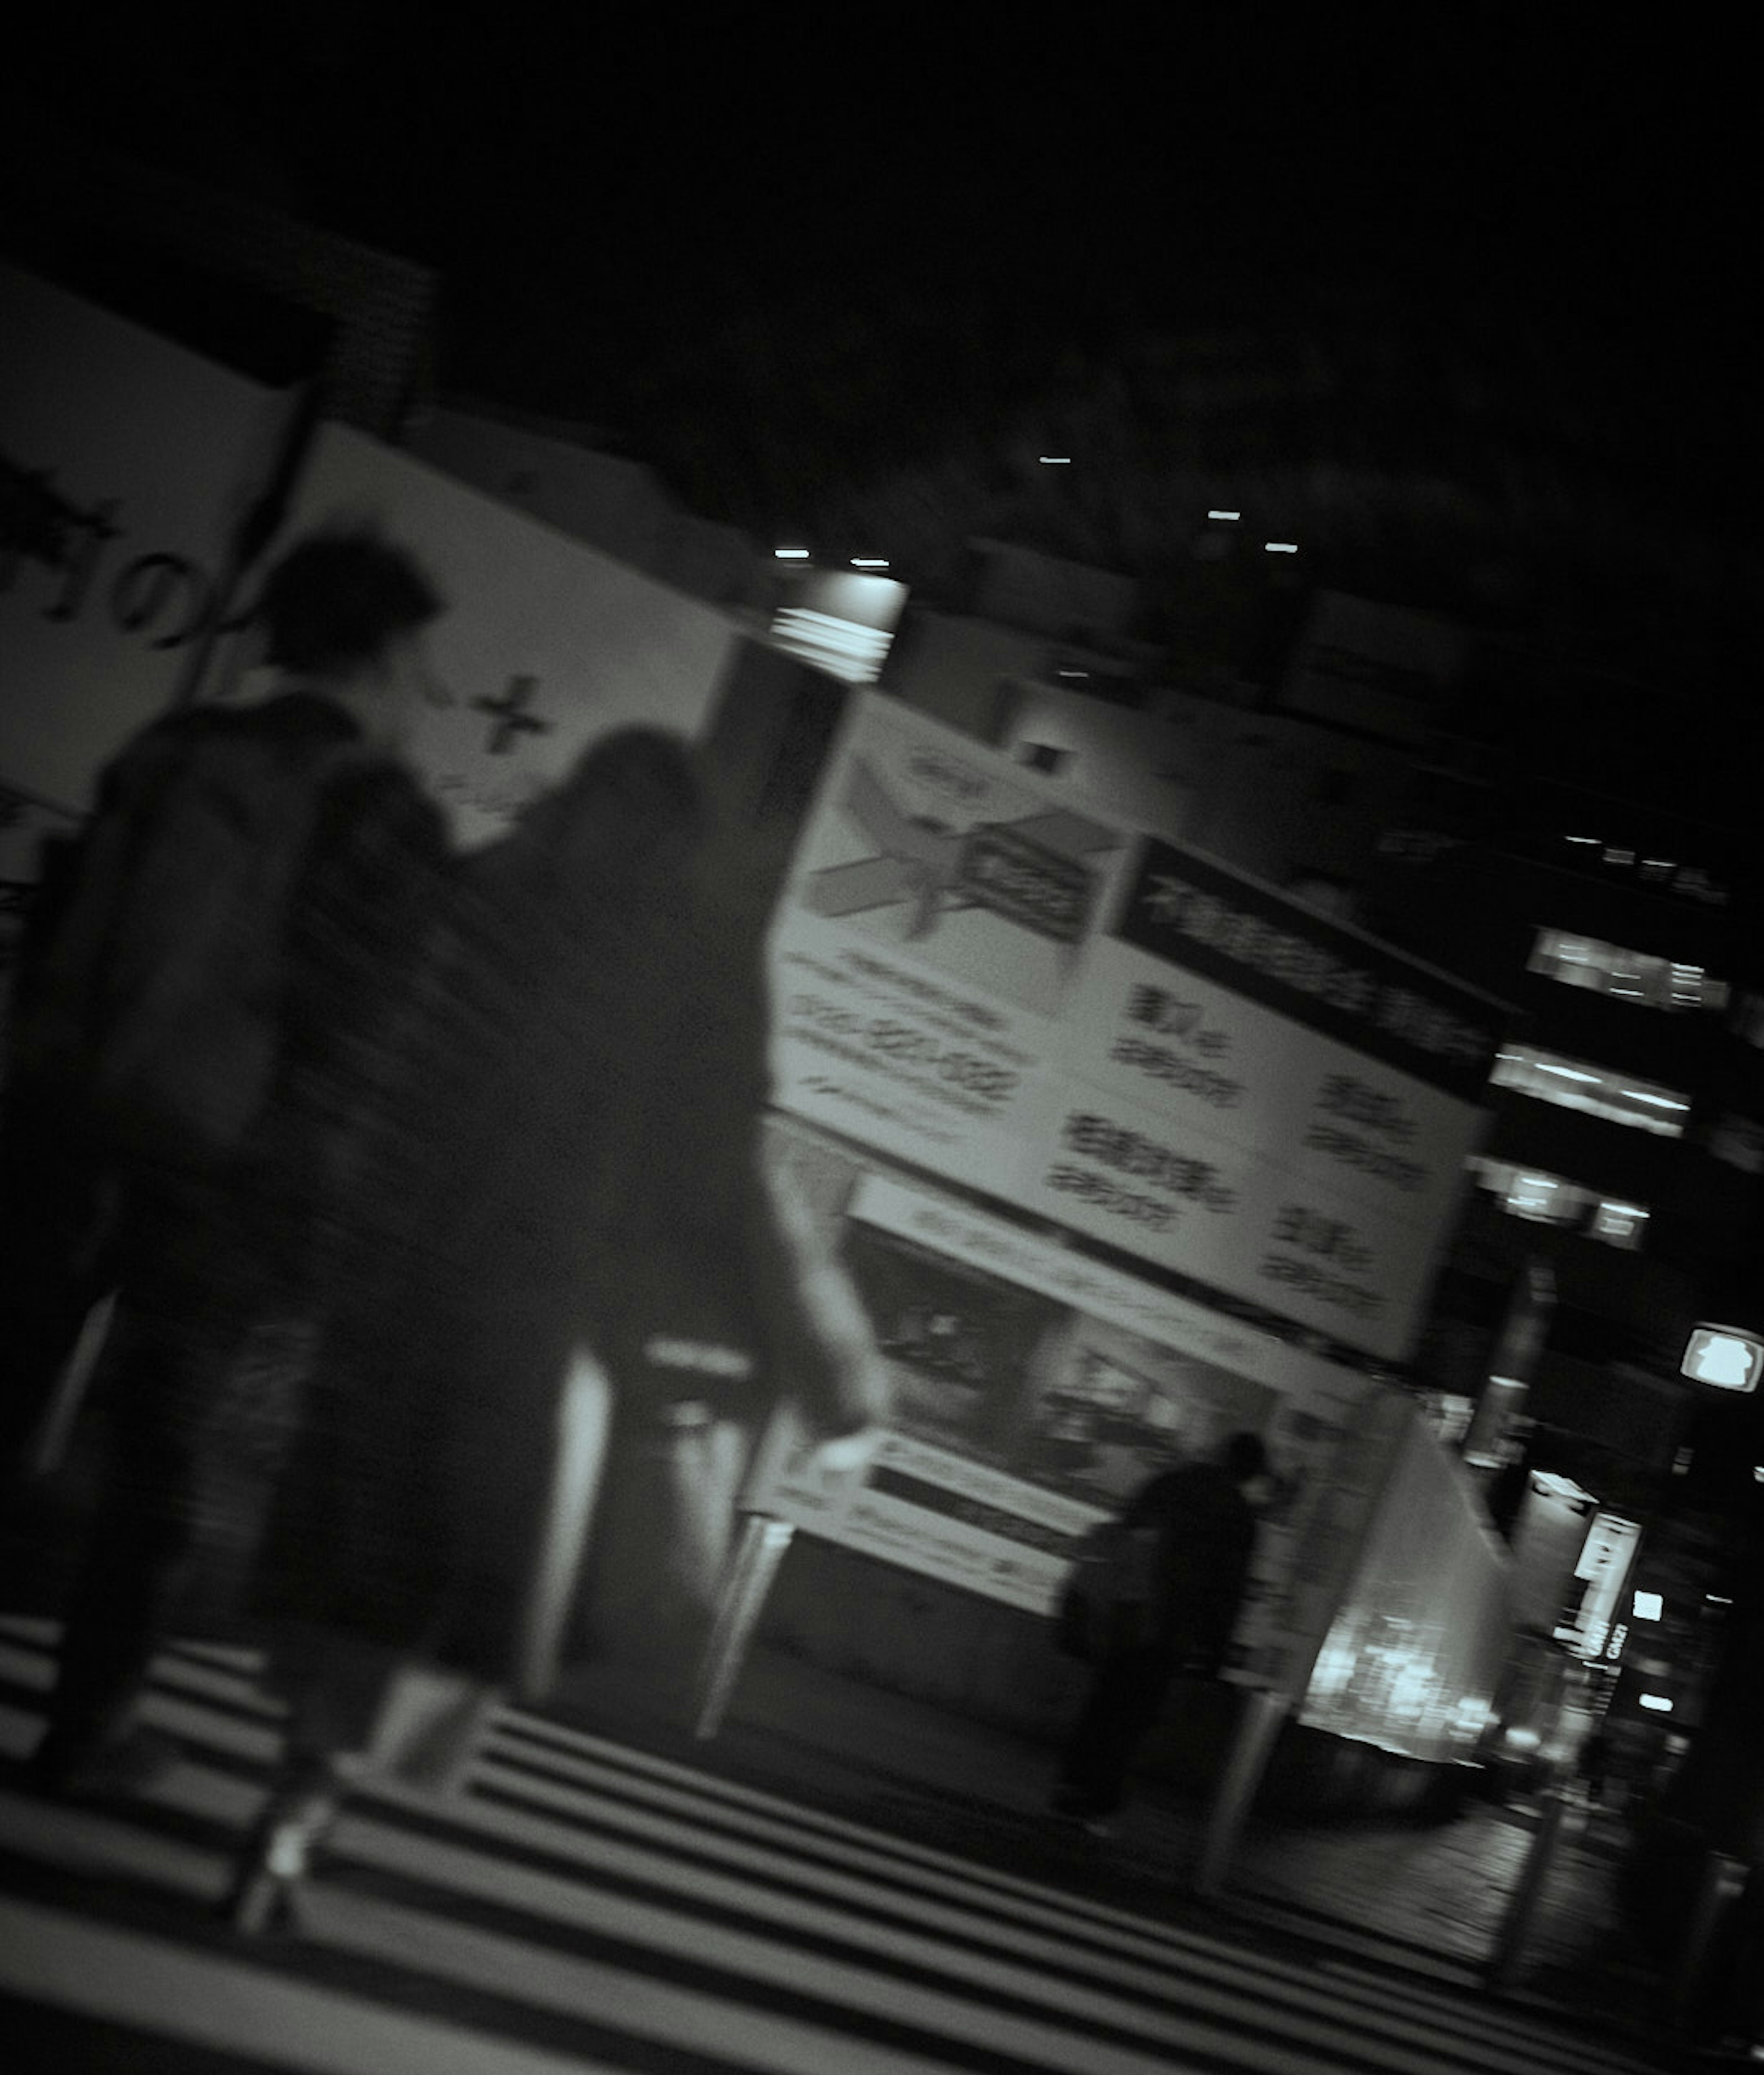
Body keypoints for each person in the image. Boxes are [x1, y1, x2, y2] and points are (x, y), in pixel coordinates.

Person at [222, 725, 890, 1929]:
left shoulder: (484, 894)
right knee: (449, 1586)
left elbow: (374, 1069)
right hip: (542, 1326)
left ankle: (293, 1778)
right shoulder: (701, 956)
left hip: (401, 1288)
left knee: (352, 1557)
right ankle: (306, 1812)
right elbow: (716, 1167)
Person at [1, 524, 450, 1792]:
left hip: (55, 1121)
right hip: (217, 1169)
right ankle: (88, 1729)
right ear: (381, 653)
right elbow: (364, 1037)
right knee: (158, 1454)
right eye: (419, 657)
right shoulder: (376, 806)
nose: (426, 689)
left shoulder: (170, 749)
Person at [1050, 1429, 1270, 1831]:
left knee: (1105, 1699)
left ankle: (1072, 1784)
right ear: (1252, 1472)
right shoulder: (1240, 1519)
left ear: (1221, 1455)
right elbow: (1227, 1592)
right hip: (1171, 1631)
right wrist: (1215, 1654)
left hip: (1129, 1611)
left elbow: (1124, 1530)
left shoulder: (1171, 1482)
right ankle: (1098, 1803)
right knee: (1134, 1717)